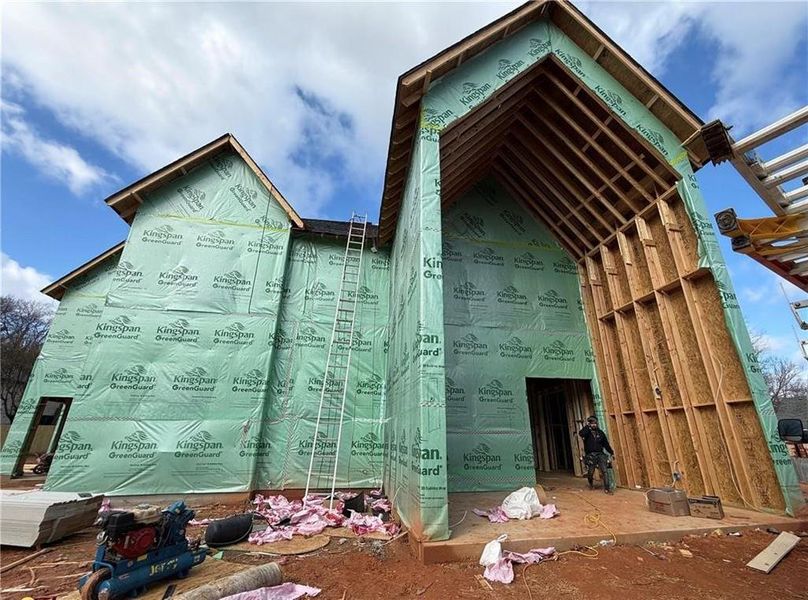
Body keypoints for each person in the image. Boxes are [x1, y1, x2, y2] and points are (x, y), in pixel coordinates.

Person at [579, 416, 615, 494]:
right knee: (591, 472)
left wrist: (611, 452)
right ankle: (591, 484)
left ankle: (607, 489)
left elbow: (606, 444)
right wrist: (588, 427)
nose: (594, 425)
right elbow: (581, 433)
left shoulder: (600, 433)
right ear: (589, 424)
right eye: (592, 423)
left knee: (605, 471)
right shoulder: (587, 433)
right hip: (590, 455)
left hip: (600, 454)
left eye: (595, 423)